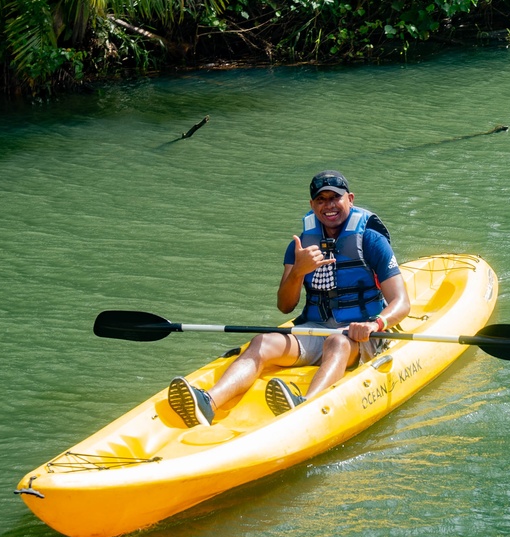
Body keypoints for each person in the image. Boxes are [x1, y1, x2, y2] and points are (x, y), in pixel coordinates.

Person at [166, 171, 410, 428]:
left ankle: (306, 405)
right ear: (312, 205)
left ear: (349, 198)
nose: (328, 206)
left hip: (361, 335)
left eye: (335, 198)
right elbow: (285, 306)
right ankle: (208, 402)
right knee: (262, 342)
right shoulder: (300, 245)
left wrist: (375, 325)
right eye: (321, 200)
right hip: (315, 330)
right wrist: (298, 271)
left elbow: (401, 302)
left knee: (337, 343)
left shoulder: (372, 240)